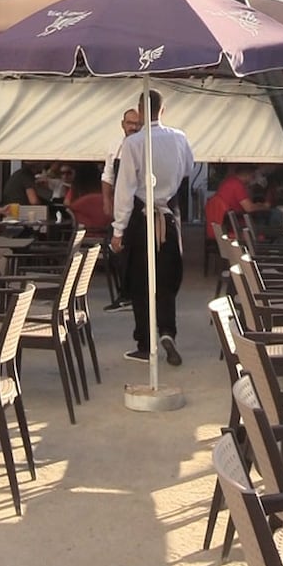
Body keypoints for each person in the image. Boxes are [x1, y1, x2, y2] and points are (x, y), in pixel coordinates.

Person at [110, 90, 194, 366]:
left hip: (141, 217)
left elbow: (125, 189)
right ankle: (167, 331)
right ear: (163, 109)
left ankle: (146, 343)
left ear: (141, 110)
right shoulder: (180, 138)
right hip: (168, 217)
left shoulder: (134, 143)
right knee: (166, 280)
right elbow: (187, 171)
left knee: (139, 282)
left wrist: (118, 230)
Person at [100, 108, 142, 312]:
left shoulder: (144, 146)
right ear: (122, 124)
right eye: (130, 123)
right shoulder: (115, 146)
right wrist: (107, 200)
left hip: (139, 204)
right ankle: (124, 293)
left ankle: (132, 295)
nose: (133, 127)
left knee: (134, 251)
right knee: (115, 249)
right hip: (119, 204)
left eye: (137, 123)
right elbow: (108, 175)